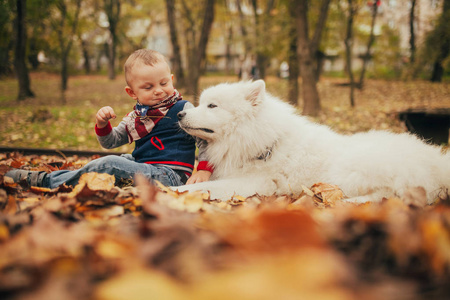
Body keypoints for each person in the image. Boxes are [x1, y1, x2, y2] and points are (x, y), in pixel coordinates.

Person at [6, 49, 213, 188]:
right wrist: (103, 124)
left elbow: (204, 139)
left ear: (172, 80)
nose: (159, 91)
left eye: (163, 83)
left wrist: (204, 170)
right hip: (146, 166)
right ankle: (66, 178)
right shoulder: (136, 117)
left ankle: (45, 181)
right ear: (132, 93)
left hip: (170, 175)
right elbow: (111, 142)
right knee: (118, 160)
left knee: (109, 164)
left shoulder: (182, 108)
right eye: (148, 87)